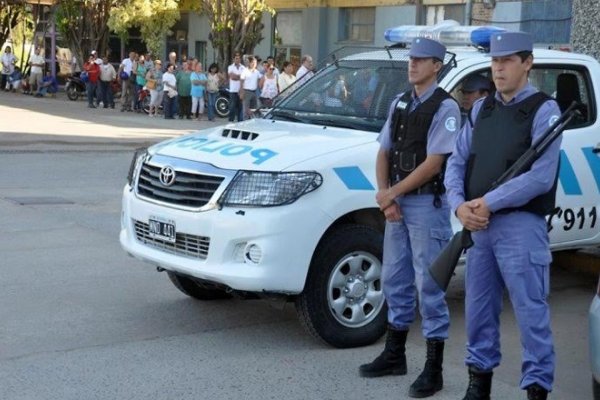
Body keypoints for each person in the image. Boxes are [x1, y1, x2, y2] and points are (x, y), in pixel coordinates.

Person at [444, 31, 560, 400]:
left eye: (508, 60)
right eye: (495, 61)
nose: (499, 68)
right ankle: (479, 383)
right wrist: (459, 206)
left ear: (528, 63)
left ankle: (537, 388)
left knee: (530, 313)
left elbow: (540, 177)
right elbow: (457, 162)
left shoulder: (545, 110)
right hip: (478, 224)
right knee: (478, 309)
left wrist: (487, 202)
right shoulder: (481, 109)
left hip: (520, 225)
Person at [358, 37, 460, 399]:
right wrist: (386, 195)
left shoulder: (445, 107)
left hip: (425, 206)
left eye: (422, 59)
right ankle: (395, 354)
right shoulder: (400, 101)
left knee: (429, 285)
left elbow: (435, 163)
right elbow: (384, 150)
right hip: (398, 204)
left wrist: (392, 195)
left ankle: (434, 369)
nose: (413, 64)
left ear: (437, 66)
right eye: (411, 58)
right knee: (394, 279)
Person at [228, 52, 245, 122]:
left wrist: (237, 76)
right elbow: (232, 77)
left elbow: (243, 78)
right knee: (232, 107)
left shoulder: (243, 67)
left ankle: (239, 121)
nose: (237, 60)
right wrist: (239, 76)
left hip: (240, 90)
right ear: (233, 59)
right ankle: (231, 120)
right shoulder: (230, 67)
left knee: (240, 107)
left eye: (239, 58)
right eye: (236, 58)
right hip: (233, 90)